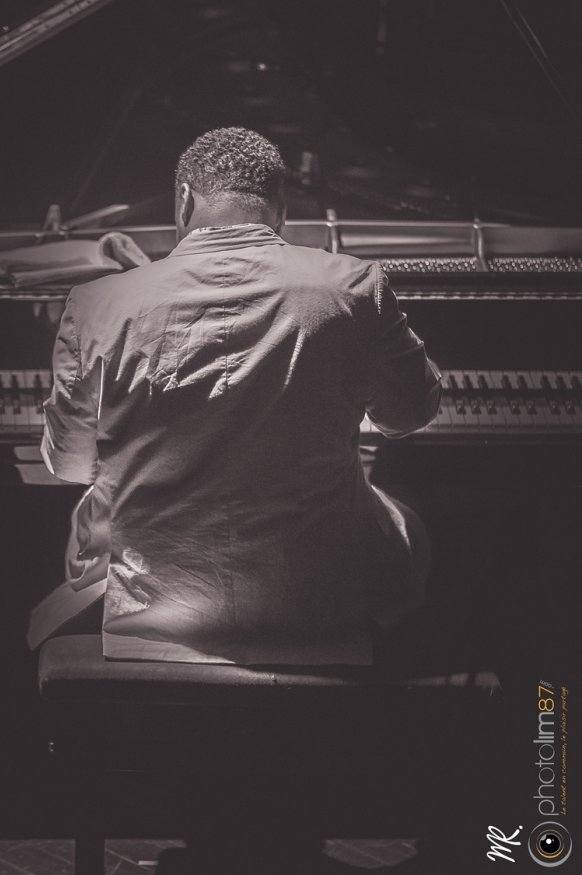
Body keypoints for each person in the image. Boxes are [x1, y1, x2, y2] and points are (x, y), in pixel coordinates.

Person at [34, 126, 441, 665]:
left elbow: (70, 465)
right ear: (281, 211)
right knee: (409, 527)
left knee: (88, 521)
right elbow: (411, 413)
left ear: (184, 199)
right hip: (314, 609)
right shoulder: (355, 286)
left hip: (155, 612)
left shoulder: (96, 302)